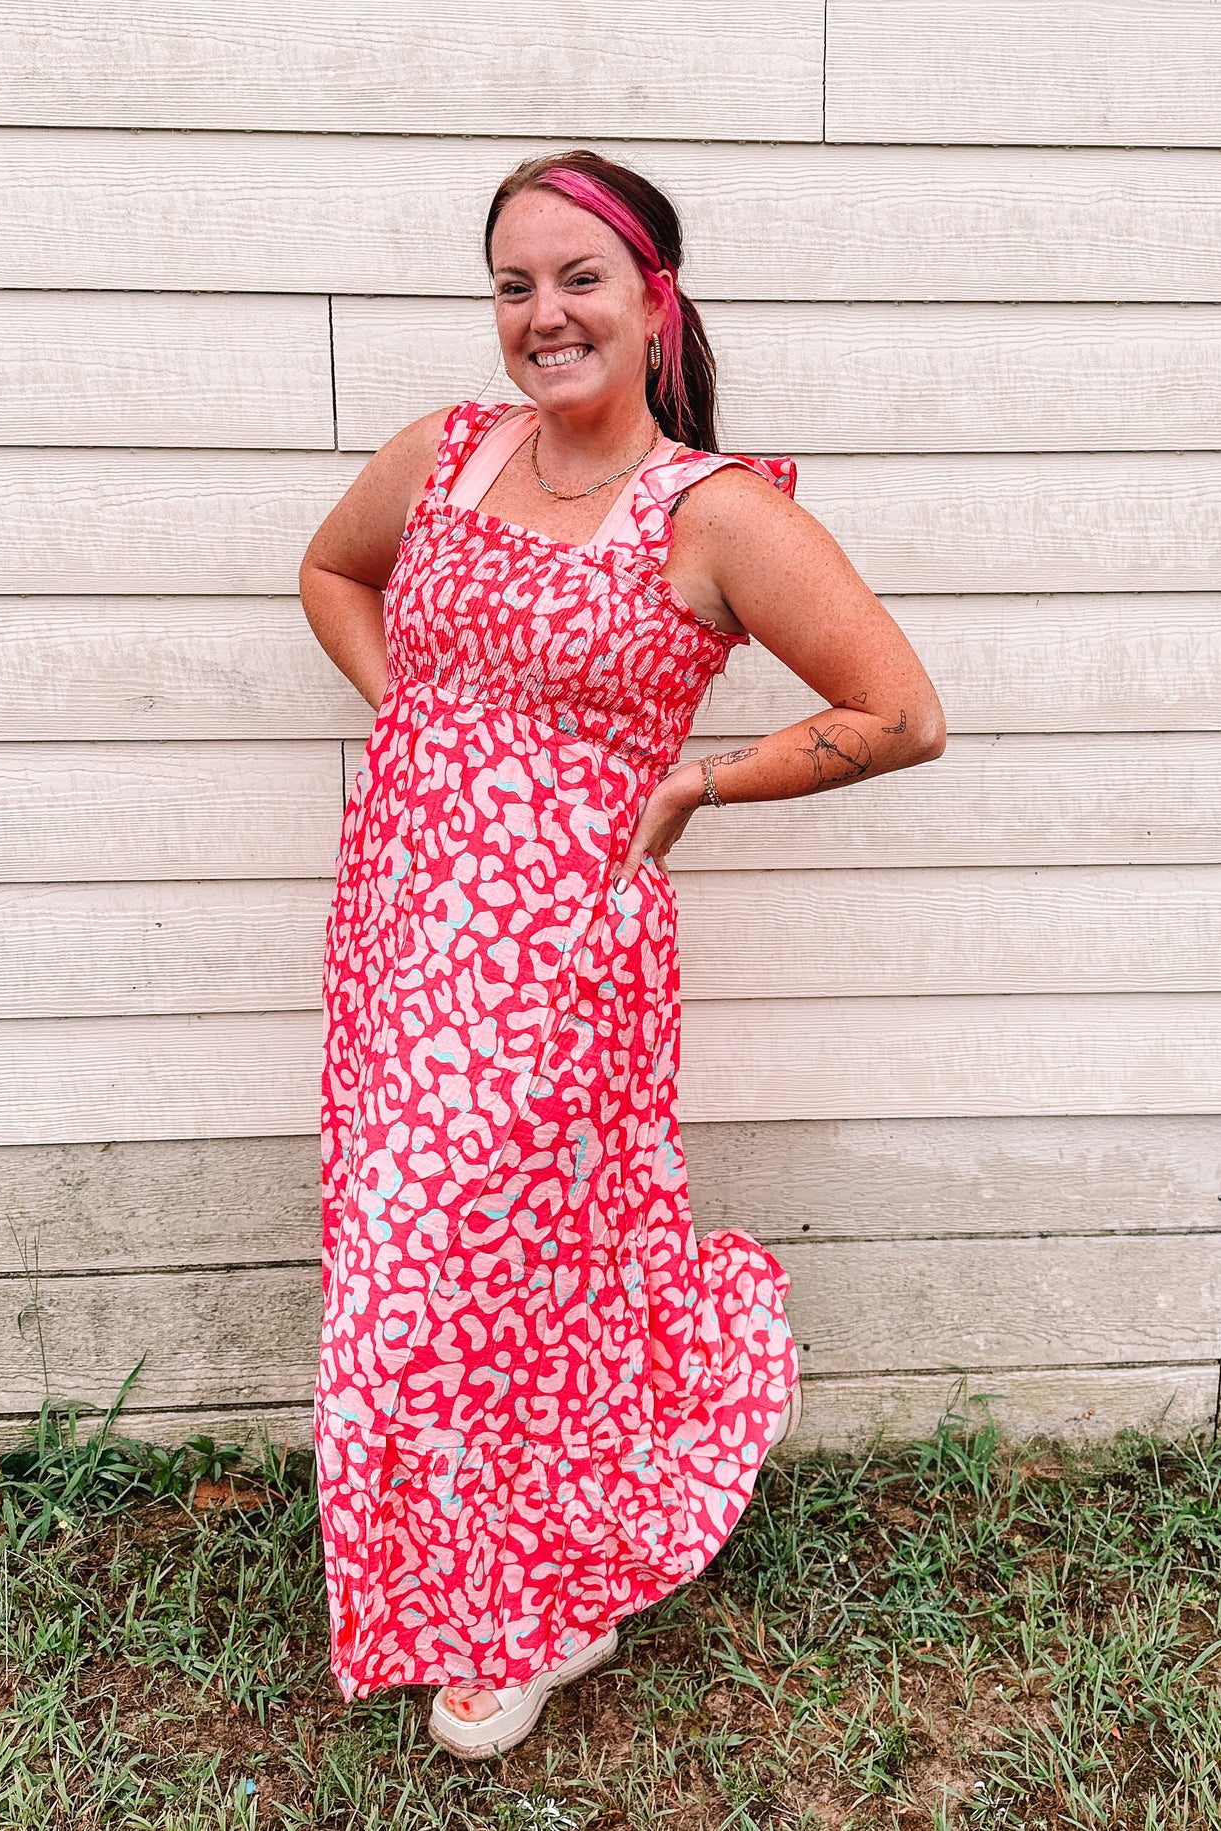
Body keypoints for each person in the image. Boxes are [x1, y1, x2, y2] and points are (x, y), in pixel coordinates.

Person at [298, 148, 946, 1759]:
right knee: (428, 1264)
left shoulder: (713, 513)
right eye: (513, 284)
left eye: (578, 278)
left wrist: (703, 782)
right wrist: (423, 721)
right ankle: (506, 1574)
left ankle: (522, 1607)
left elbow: (899, 714)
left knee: (473, 1271)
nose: (542, 314)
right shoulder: (442, 455)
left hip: (559, 962)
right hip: (398, 922)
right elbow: (328, 570)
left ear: (653, 299)